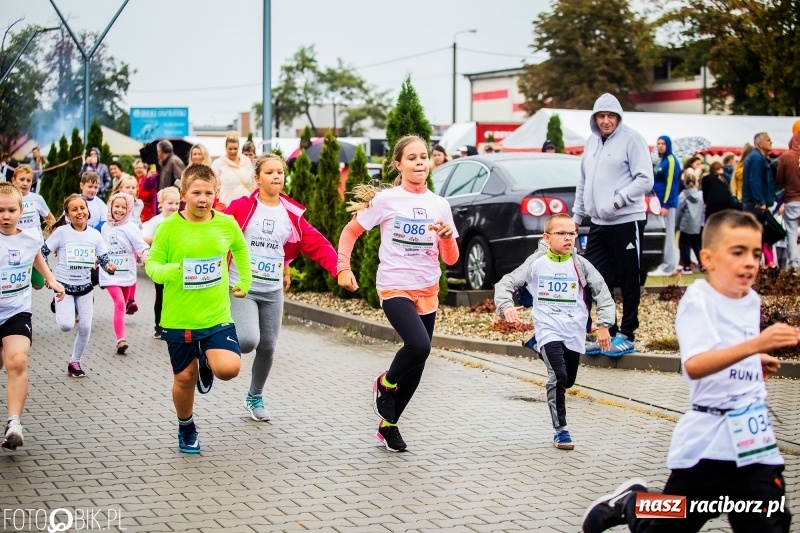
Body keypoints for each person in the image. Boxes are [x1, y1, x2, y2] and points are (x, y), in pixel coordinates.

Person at [582, 210, 796, 533]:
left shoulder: (751, 300)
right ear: (707, 258)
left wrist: (753, 363)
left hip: (754, 443)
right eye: (737, 252)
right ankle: (634, 502)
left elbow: (728, 351)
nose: (750, 262)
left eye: (755, 253)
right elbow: (695, 365)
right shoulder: (699, 300)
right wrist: (753, 348)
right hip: (708, 446)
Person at [336, 135, 459, 452]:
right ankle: (385, 383)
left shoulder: (439, 205)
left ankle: (388, 426)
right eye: (412, 158)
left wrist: (446, 238)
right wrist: (343, 268)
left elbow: (451, 259)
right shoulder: (387, 200)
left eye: (424, 157)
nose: (420, 163)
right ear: (398, 164)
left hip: (427, 288)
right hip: (394, 284)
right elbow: (351, 232)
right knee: (418, 345)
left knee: (418, 364)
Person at [145, 164, 251, 454]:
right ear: (183, 194)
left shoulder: (226, 224)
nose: (202, 199)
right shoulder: (168, 228)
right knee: (184, 378)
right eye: (196, 193)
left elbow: (241, 249)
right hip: (180, 318)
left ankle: (207, 359)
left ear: (216, 193)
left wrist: (246, 279)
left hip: (216, 314)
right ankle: (186, 425)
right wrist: (167, 271)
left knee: (229, 369)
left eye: (208, 193)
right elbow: (152, 264)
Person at [225, 154, 338, 421]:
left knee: (268, 346)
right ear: (257, 178)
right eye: (270, 172)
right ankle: (213, 353)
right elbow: (216, 234)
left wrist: (339, 269)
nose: (277, 176)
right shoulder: (241, 207)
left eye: (280, 172)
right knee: (247, 340)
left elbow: (317, 244)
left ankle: (255, 396)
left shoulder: (291, 214)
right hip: (242, 285)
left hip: (272, 289)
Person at [494, 213, 613, 450]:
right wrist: (506, 306)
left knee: (568, 380)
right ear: (547, 237)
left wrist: (604, 326)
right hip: (548, 328)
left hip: (574, 331)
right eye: (562, 233)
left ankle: (536, 345)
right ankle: (561, 430)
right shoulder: (536, 262)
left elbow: (604, 294)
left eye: (572, 233)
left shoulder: (580, 265)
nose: (568, 238)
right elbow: (505, 283)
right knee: (557, 377)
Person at [573, 93, 654, 357]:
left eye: (610, 116)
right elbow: (583, 182)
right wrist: (576, 217)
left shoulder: (632, 140)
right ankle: (608, 329)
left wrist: (619, 201)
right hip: (598, 223)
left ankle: (627, 334)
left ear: (618, 117)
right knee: (596, 278)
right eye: (601, 116)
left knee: (628, 277)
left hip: (626, 220)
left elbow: (645, 179)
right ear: (595, 118)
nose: (606, 121)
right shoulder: (592, 142)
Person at [0, 182, 64, 450]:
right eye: (0, 210)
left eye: (11, 210)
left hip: (17, 311)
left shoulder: (29, 237)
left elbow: (36, 255)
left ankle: (14, 423)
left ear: (21, 210)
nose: (5, 215)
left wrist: (51, 279)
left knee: (17, 361)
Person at [42, 194, 116, 378]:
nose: (79, 212)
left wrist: (109, 266)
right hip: (63, 287)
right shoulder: (61, 233)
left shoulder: (95, 235)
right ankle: (57, 303)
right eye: (74, 209)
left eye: (82, 208)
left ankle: (75, 362)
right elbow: (42, 252)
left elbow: (104, 257)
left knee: (85, 327)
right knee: (66, 325)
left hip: (85, 288)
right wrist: (48, 276)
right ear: (67, 215)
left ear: (88, 210)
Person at [100, 192, 149, 354]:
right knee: (119, 303)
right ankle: (121, 339)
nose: (119, 210)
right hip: (109, 273)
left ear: (128, 209)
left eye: (123, 207)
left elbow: (141, 246)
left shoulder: (131, 227)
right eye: (116, 206)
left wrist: (146, 258)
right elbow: (93, 243)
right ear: (110, 207)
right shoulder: (103, 227)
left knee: (124, 302)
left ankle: (121, 334)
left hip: (127, 273)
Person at [141, 186, 180, 339]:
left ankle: (175, 323)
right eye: (170, 203)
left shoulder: (181, 219)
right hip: (160, 264)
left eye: (177, 203)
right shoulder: (156, 221)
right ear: (161, 203)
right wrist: (161, 239)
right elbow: (142, 236)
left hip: (178, 264)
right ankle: (159, 326)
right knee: (161, 295)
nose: (174, 207)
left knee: (177, 294)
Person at [11, 166, 55, 289]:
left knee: (38, 285)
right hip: (16, 247)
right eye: (22, 179)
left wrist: (56, 239)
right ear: (13, 180)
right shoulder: (9, 199)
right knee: (17, 284)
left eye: (28, 180)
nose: (25, 183)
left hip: (35, 247)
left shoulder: (37, 199)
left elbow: (50, 219)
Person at [649, 136, 682, 277]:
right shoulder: (661, 161)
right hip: (658, 203)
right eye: (658, 144)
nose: (660, 146)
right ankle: (666, 264)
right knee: (664, 234)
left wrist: (666, 204)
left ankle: (669, 266)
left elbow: (671, 184)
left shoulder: (671, 161)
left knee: (669, 234)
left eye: (663, 143)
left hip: (666, 205)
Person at [776, 129, 800, 270]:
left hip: (792, 200)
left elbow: (779, 179)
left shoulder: (786, 157)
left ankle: (793, 265)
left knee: (791, 233)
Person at [211, 131, 255, 207]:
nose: (233, 151)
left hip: (247, 205)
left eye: (235, 148)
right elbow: (212, 184)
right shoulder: (218, 163)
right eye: (230, 149)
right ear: (225, 148)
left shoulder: (246, 161)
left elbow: (253, 181)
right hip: (226, 206)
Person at [677, 172, 703, 273]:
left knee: (685, 245)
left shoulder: (683, 195)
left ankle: (687, 265)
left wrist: (676, 224)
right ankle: (702, 263)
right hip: (697, 224)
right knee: (696, 245)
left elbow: (679, 210)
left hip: (686, 224)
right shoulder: (700, 195)